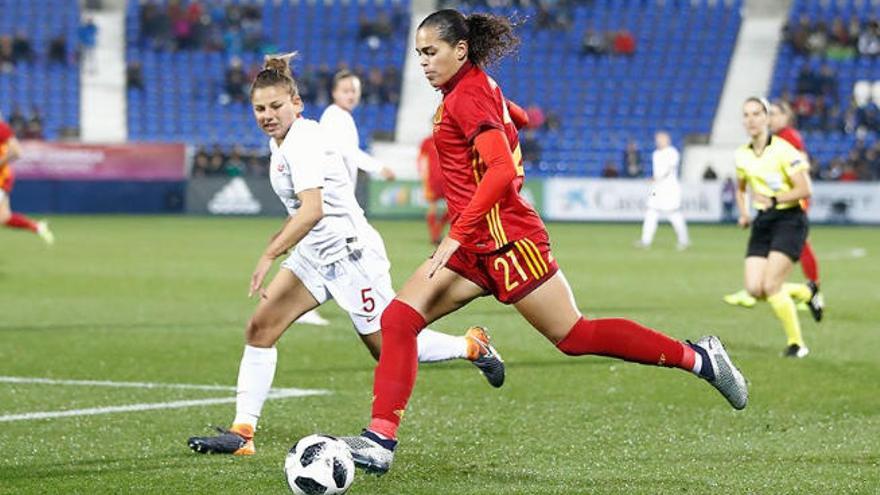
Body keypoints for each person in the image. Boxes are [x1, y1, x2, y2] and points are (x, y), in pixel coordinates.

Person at [335, 10, 748, 476]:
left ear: (460, 50)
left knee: (573, 335)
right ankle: (379, 441)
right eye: (419, 55)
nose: (424, 63)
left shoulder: (465, 97)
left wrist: (456, 230)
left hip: (509, 241)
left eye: (431, 53)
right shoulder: (472, 87)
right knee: (398, 319)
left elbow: (502, 170)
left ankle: (700, 358)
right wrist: (513, 118)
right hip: (477, 244)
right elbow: (519, 116)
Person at [187, 53, 505, 456]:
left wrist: (269, 253)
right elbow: (304, 215)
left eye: (275, 106)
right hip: (315, 254)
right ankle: (242, 433)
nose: (267, 115)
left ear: (296, 104)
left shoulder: (301, 142)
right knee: (260, 329)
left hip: (351, 255)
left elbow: (312, 210)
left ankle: (472, 346)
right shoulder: (280, 140)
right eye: (259, 108)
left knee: (389, 348)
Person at [731, 97, 822, 359]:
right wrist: (744, 213)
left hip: (790, 220)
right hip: (763, 222)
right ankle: (806, 292)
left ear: (767, 117)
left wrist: (773, 200)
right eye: (746, 115)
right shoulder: (741, 154)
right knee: (753, 289)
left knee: (771, 286)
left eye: (757, 114)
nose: (751, 120)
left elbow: (805, 189)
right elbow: (740, 187)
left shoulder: (784, 150)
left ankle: (797, 344)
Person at [319, 69, 396, 185]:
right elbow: (348, 151)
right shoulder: (334, 116)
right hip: (332, 188)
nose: (350, 95)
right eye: (345, 91)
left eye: (354, 91)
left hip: (339, 188)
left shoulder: (343, 115)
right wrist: (379, 168)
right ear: (334, 93)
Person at [0, 116, 54, 245]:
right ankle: (37, 226)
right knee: (4, 217)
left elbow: (16, 151)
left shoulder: (1, 128)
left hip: (1, 179)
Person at [637, 131, 689, 250]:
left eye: (660, 139)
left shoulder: (672, 153)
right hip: (657, 189)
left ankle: (684, 240)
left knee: (673, 214)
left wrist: (656, 178)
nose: (658, 142)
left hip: (669, 189)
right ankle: (646, 240)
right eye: (657, 139)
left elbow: (669, 170)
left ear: (667, 140)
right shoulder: (655, 154)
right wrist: (654, 180)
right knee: (651, 212)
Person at [418, 133, 448, 245]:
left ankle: (438, 229)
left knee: (451, 209)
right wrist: (423, 175)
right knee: (432, 206)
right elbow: (421, 159)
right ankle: (434, 236)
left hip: (448, 179)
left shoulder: (450, 138)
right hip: (432, 180)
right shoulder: (427, 142)